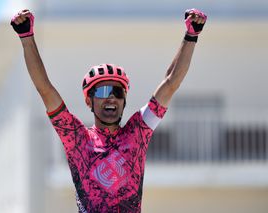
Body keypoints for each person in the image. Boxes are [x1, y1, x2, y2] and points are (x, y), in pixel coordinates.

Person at [11, 8, 207, 213]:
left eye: (117, 91)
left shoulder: (137, 132)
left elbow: (170, 84)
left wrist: (191, 36)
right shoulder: (77, 138)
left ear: (123, 101)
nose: (111, 96)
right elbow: (45, 89)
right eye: (103, 90)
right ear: (89, 101)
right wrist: (26, 37)